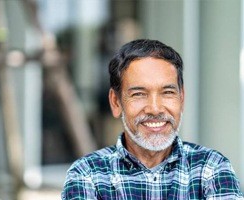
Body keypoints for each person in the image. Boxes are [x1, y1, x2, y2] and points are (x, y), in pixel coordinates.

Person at [61, 39, 243, 199]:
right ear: (116, 102)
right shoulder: (88, 174)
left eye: (167, 92)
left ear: (182, 99)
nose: (155, 109)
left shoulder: (211, 168)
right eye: (139, 94)